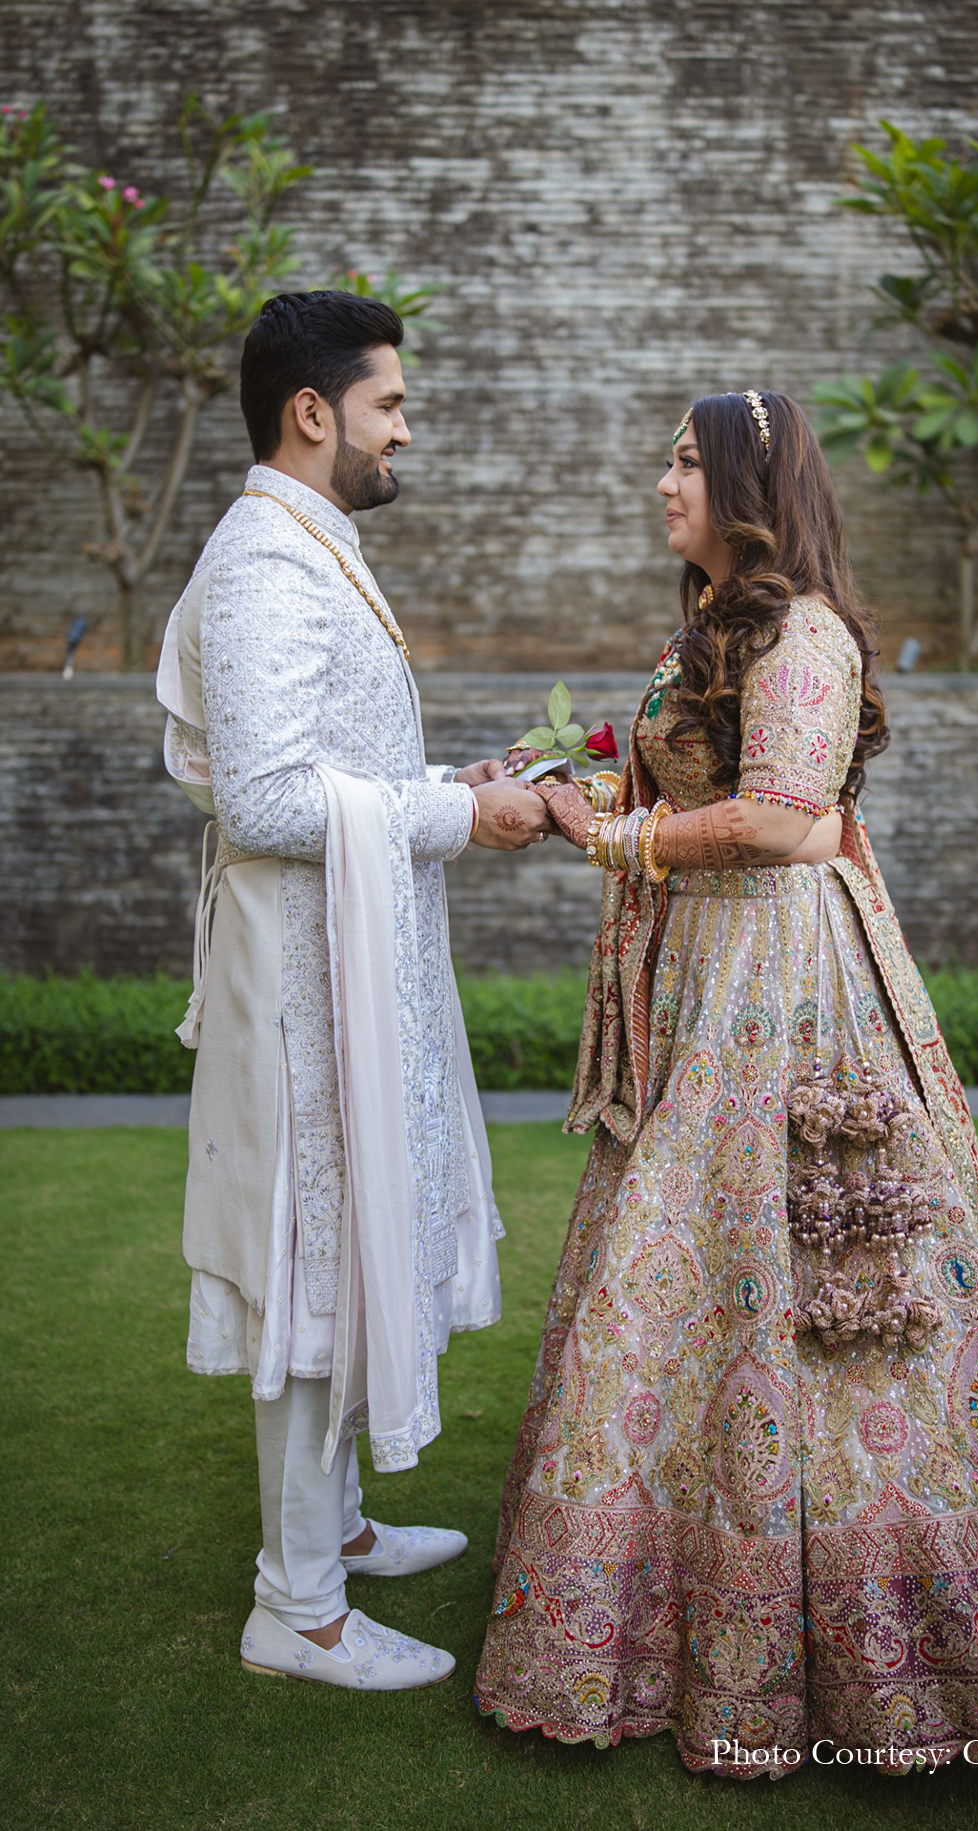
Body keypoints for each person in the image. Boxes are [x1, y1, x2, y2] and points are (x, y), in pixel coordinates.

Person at [473, 390, 978, 1774]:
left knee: (807, 1274)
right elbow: (687, 801)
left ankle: (887, 1627)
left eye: (686, 459)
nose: (664, 478)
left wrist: (614, 847)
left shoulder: (807, 634)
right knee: (681, 1274)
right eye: (668, 456)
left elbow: (784, 823)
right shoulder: (715, 630)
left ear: (746, 485)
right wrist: (565, 800)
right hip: (701, 974)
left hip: (782, 987)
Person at [155, 291, 553, 1690]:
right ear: (312, 413)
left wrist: (455, 787)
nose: (406, 431)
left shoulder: (305, 542)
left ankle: (338, 1529)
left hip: (348, 977)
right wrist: (453, 821)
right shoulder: (268, 560)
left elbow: (337, 764)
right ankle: (299, 1606)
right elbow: (266, 797)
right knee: (314, 1270)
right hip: (303, 1001)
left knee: (349, 1253)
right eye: (391, 406)